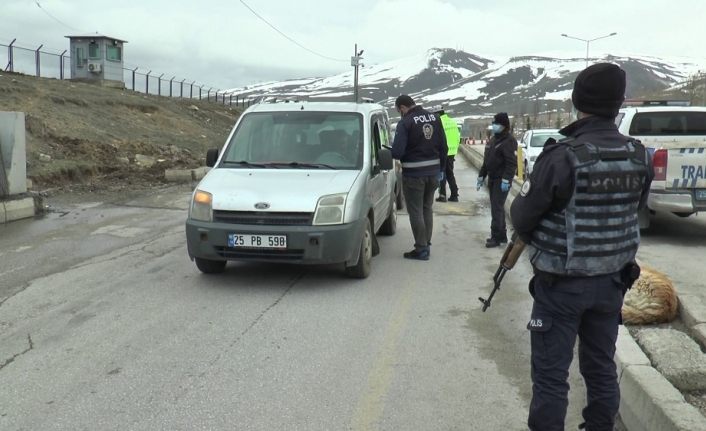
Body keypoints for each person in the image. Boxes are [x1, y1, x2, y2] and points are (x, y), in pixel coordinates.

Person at [509, 63, 653, 431]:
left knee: (551, 376)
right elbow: (633, 210)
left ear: (577, 101)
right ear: (618, 103)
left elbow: (523, 217)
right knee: (601, 367)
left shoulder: (562, 156)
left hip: (561, 286)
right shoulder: (639, 155)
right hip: (612, 284)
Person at [391, 95, 447, 260]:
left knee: (415, 211)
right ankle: (426, 244)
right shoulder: (434, 118)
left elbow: (397, 152)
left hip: (414, 175)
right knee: (427, 208)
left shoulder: (406, 122)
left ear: (402, 108)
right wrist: (441, 169)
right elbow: (443, 146)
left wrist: (390, 150)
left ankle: (421, 249)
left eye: (399, 110)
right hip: (433, 174)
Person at [477, 112, 517, 247]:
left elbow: (511, 163)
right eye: (493, 123)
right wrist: (482, 175)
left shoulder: (509, 141)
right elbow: (487, 160)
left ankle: (495, 237)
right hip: (492, 178)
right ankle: (502, 236)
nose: (494, 126)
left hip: (501, 180)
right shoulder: (494, 139)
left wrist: (506, 179)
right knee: (497, 208)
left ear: (504, 126)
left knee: (497, 208)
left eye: (497, 124)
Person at [435, 109, 461, 202]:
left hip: (443, 151)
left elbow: (437, 138)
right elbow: (458, 137)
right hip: (452, 151)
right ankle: (454, 194)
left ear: (437, 114)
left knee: (442, 173)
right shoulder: (452, 122)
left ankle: (442, 195)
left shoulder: (438, 122)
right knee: (450, 173)